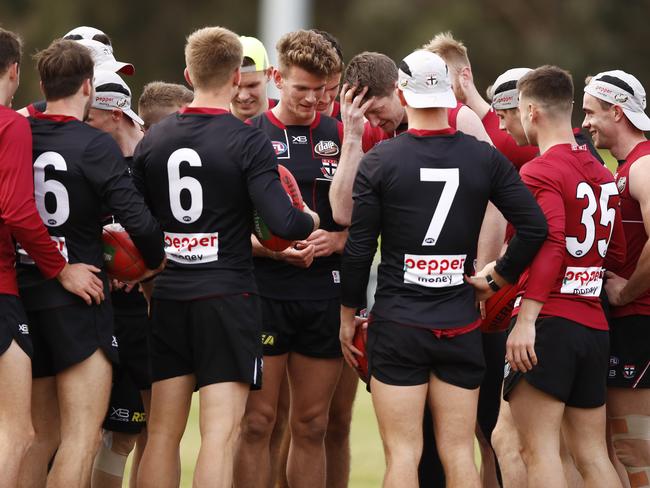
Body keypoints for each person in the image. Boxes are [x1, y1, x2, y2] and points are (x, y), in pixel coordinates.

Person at [340, 49, 546, 488]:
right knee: (459, 452)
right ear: (448, 92)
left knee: (403, 454)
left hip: (398, 323)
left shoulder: (381, 160)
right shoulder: (483, 157)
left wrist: (346, 315)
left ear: (402, 91)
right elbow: (533, 226)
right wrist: (497, 276)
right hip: (459, 320)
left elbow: (359, 248)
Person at [133, 27, 318, 488]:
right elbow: (283, 222)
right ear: (238, 76)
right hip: (227, 296)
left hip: (171, 294)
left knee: (160, 435)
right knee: (220, 434)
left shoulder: (153, 141)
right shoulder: (247, 139)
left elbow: (135, 222)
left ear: (187, 73)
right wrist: (310, 221)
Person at [16, 39, 165, 488]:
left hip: (26, 293)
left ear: (42, 84)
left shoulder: (20, 133)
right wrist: (151, 264)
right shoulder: (93, 144)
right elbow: (138, 222)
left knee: (41, 437)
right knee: (81, 436)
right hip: (79, 298)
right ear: (88, 86)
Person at [499, 65, 624, 488]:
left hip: (549, 323)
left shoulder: (538, 171)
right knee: (593, 456)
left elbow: (551, 241)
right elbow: (617, 250)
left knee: (540, 452)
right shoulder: (603, 172)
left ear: (530, 111)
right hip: (593, 323)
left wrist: (526, 317)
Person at [234, 29, 343, 488]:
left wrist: (334, 242)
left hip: (324, 293)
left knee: (312, 425)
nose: (312, 100)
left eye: (321, 91)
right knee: (258, 422)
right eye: (301, 89)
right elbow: (229, 229)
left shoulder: (342, 136)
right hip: (264, 291)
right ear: (277, 78)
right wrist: (274, 250)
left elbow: (366, 221)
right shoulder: (247, 136)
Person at [0, 27, 105, 488]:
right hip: (10, 288)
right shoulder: (11, 125)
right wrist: (59, 268)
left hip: (21, 293)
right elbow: (19, 211)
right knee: (24, 432)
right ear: (16, 72)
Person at [583, 69, 650, 488]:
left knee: (634, 447)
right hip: (627, 323)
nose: (586, 123)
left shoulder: (643, 166)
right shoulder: (627, 167)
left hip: (639, 320)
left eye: (591, 112)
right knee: (620, 447)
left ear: (617, 111)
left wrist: (626, 291)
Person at [85, 70, 151, 488]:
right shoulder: (83, 157)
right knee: (82, 430)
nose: (82, 124)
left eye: (89, 117)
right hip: (89, 308)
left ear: (113, 114)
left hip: (142, 314)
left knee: (127, 433)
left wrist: (145, 269)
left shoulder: (152, 160)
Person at [231, 36, 274, 121]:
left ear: (269, 74)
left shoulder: (292, 118)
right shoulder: (209, 123)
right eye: (236, 85)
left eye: (252, 85)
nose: (243, 96)